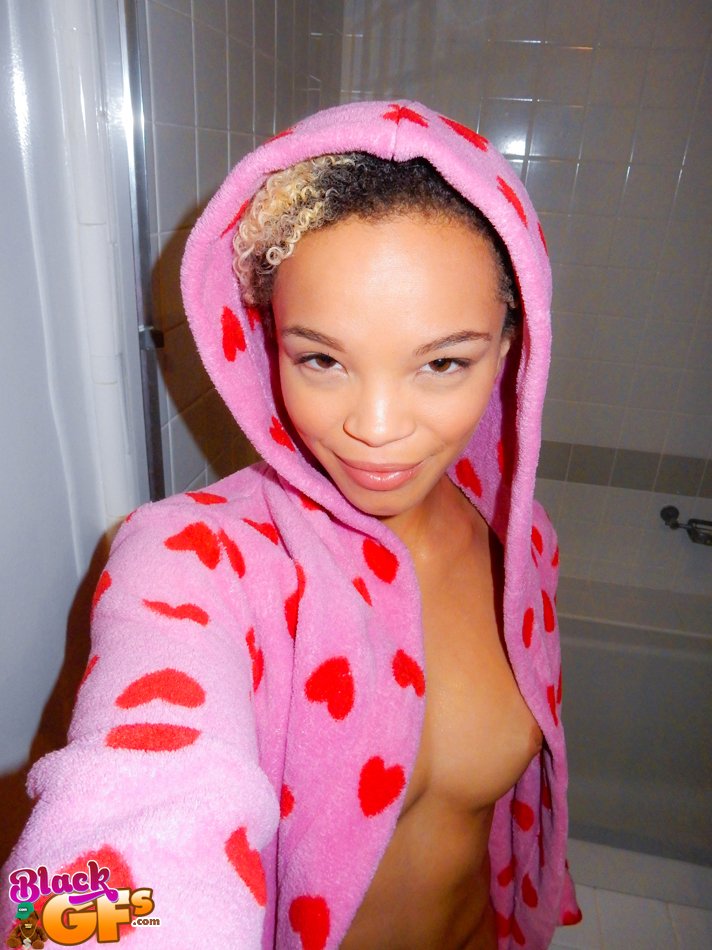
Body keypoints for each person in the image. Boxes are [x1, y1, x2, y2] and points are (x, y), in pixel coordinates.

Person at [1, 101, 580, 949]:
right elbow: (112, 836)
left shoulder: (521, 544)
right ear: (265, 343)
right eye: (322, 359)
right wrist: (66, 924)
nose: (376, 429)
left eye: (442, 362)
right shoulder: (192, 561)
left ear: (508, 350)